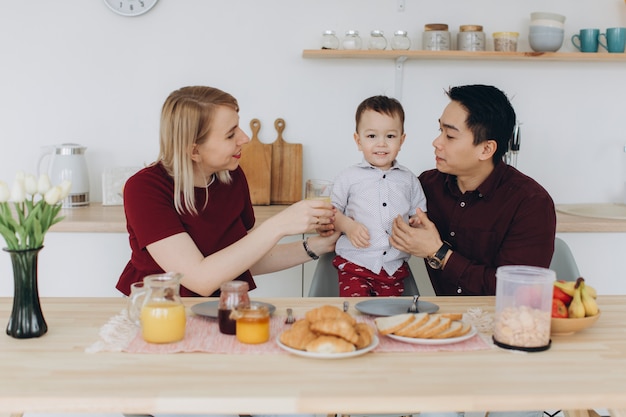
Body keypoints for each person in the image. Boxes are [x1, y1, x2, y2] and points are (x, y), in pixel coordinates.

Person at [390, 84, 556, 417]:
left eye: (450, 136)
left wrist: (439, 253)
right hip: (436, 337)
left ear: (486, 149)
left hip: (504, 342)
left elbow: (516, 296)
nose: (436, 142)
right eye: (440, 130)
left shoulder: (530, 203)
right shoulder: (425, 187)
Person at [116, 85, 338, 299]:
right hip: (157, 312)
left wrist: (319, 245)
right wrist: (280, 224)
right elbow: (199, 279)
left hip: (217, 308)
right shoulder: (144, 189)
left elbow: (244, 257)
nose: (245, 138)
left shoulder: (231, 176)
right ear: (194, 150)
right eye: (231, 134)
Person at [331, 95, 427, 297]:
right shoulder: (349, 177)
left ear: (402, 140)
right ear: (358, 140)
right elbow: (331, 212)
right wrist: (348, 226)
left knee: (389, 318)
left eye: (390, 136)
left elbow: (419, 214)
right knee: (356, 315)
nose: (381, 144)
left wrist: (416, 223)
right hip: (355, 263)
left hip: (393, 266)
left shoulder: (409, 180)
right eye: (372, 136)